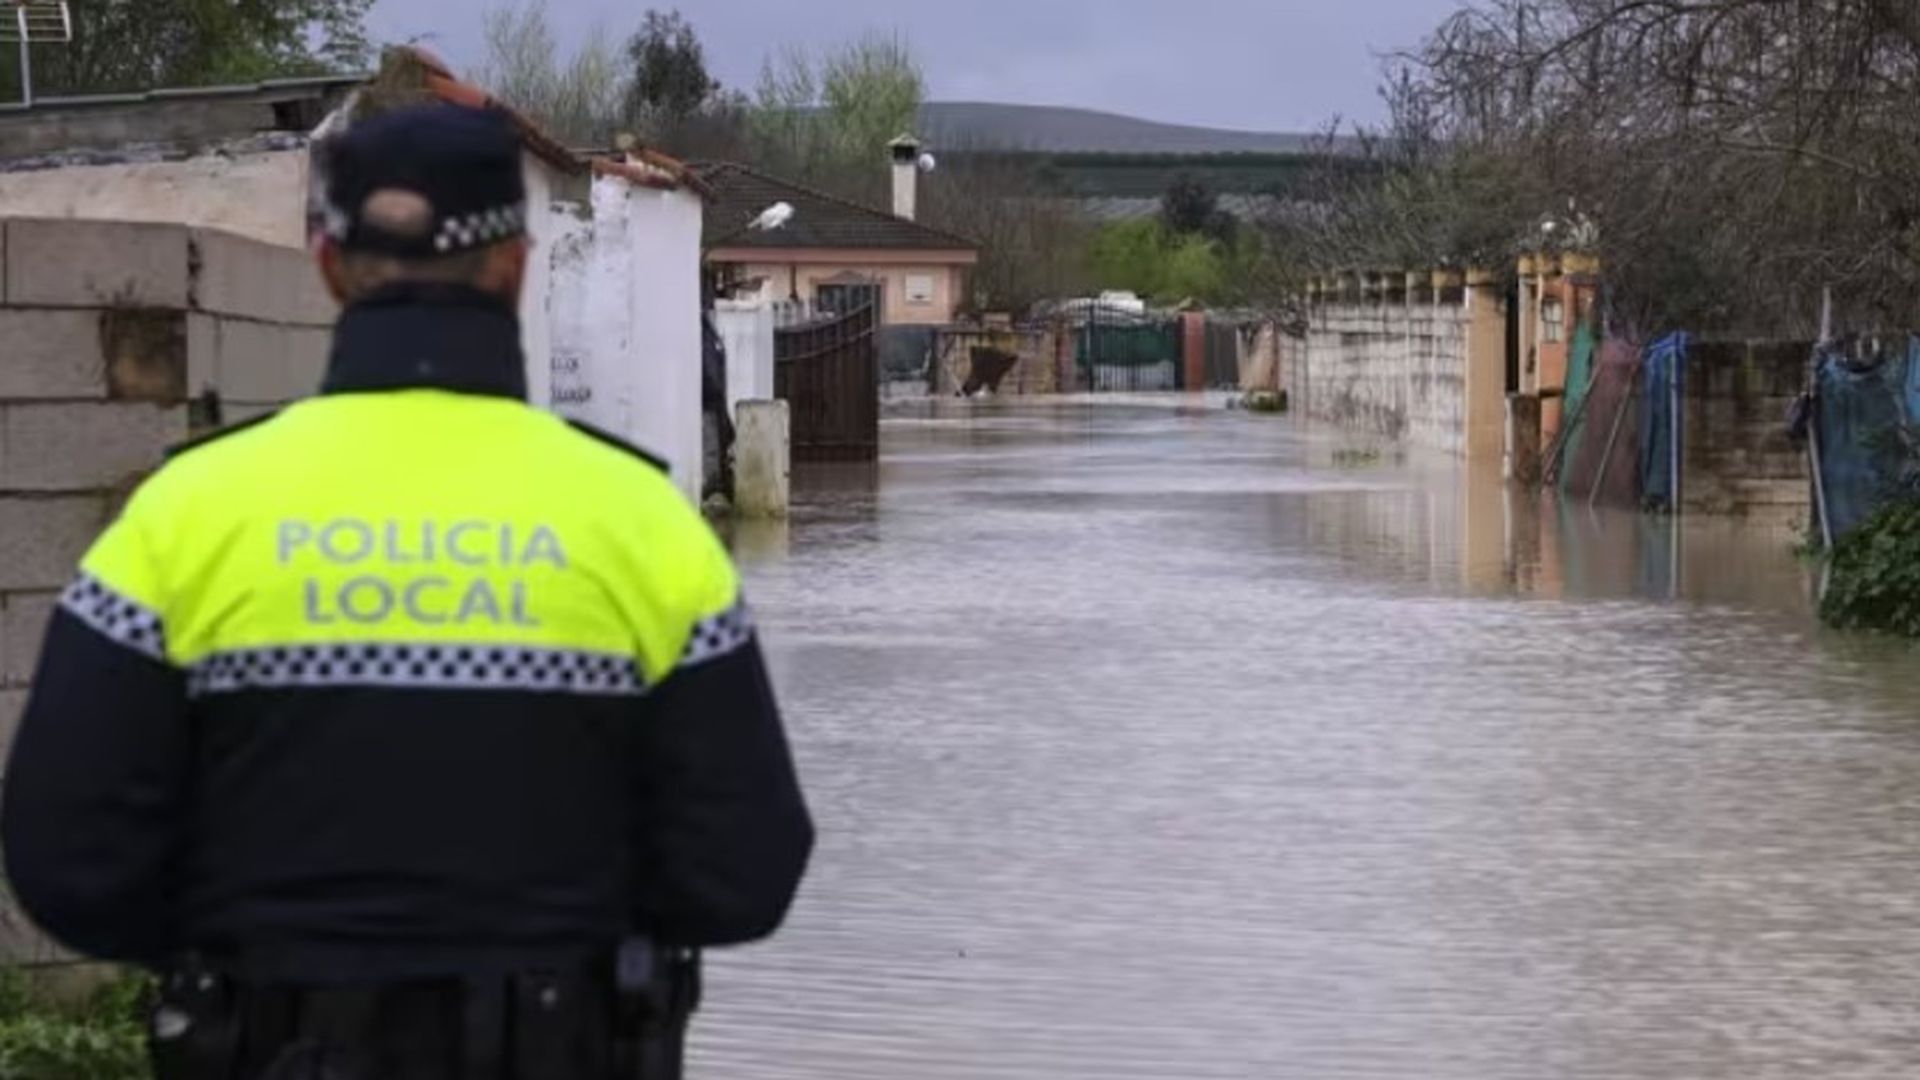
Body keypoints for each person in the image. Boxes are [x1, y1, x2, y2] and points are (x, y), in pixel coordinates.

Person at [1, 102, 813, 1079]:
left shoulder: (185, 513)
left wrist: (240, 951)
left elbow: (63, 859)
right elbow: (749, 871)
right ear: (515, 267)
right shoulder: (640, 518)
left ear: (328, 262)